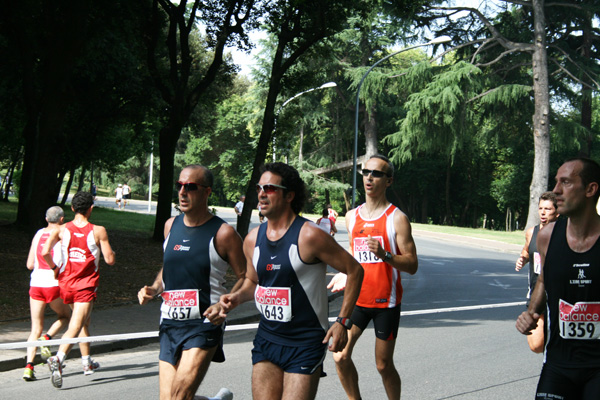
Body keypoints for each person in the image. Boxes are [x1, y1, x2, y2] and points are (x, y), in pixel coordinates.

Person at [219, 162, 364, 400]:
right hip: (267, 339)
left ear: (289, 195)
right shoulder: (252, 239)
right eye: (259, 188)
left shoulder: (309, 235)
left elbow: (355, 270)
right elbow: (252, 283)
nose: (262, 193)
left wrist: (342, 322)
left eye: (270, 188)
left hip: (305, 343)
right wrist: (234, 298)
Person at [137, 165, 245, 400]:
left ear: (207, 192)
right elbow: (170, 265)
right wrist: (155, 287)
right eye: (180, 186)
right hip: (169, 321)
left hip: (203, 324)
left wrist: (224, 305)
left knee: (179, 397)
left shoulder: (223, 233)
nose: (183, 192)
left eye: (191, 187)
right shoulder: (170, 225)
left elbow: (246, 277)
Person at [328, 154, 418, 400]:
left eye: (376, 173)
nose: (369, 177)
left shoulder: (396, 219)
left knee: (383, 365)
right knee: (340, 355)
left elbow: (412, 264)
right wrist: (344, 273)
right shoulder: (351, 217)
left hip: (385, 304)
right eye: (366, 172)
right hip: (357, 301)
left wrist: (386, 255)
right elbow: (353, 254)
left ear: (388, 181)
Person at [516, 158, 600, 400]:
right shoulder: (548, 236)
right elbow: (544, 278)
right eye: (556, 182)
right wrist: (532, 312)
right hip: (558, 364)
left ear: (590, 189)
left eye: (566, 182)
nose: (556, 191)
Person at [42, 191, 116, 388]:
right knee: (75, 324)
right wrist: (110, 252)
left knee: (84, 321)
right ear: (91, 208)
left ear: (73, 208)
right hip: (85, 285)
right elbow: (110, 260)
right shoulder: (98, 230)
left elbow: (43, 252)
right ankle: (58, 358)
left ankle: (86, 362)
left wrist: (54, 268)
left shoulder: (61, 229)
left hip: (66, 284)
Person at [22, 206, 72, 381]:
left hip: (36, 284)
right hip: (53, 283)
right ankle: (47, 337)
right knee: (66, 316)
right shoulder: (62, 234)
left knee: (34, 327)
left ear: (46, 219)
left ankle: (28, 367)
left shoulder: (38, 234)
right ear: (61, 219)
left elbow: (29, 264)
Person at [514, 191, 559, 353]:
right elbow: (526, 251)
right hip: (536, 293)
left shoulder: (564, 233)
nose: (543, 212)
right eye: (541, 208)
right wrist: (522, 259)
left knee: (558, 341)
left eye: (548, 209)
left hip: (558, 294)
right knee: (536, 345)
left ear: (557, 212)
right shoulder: (531, 232)